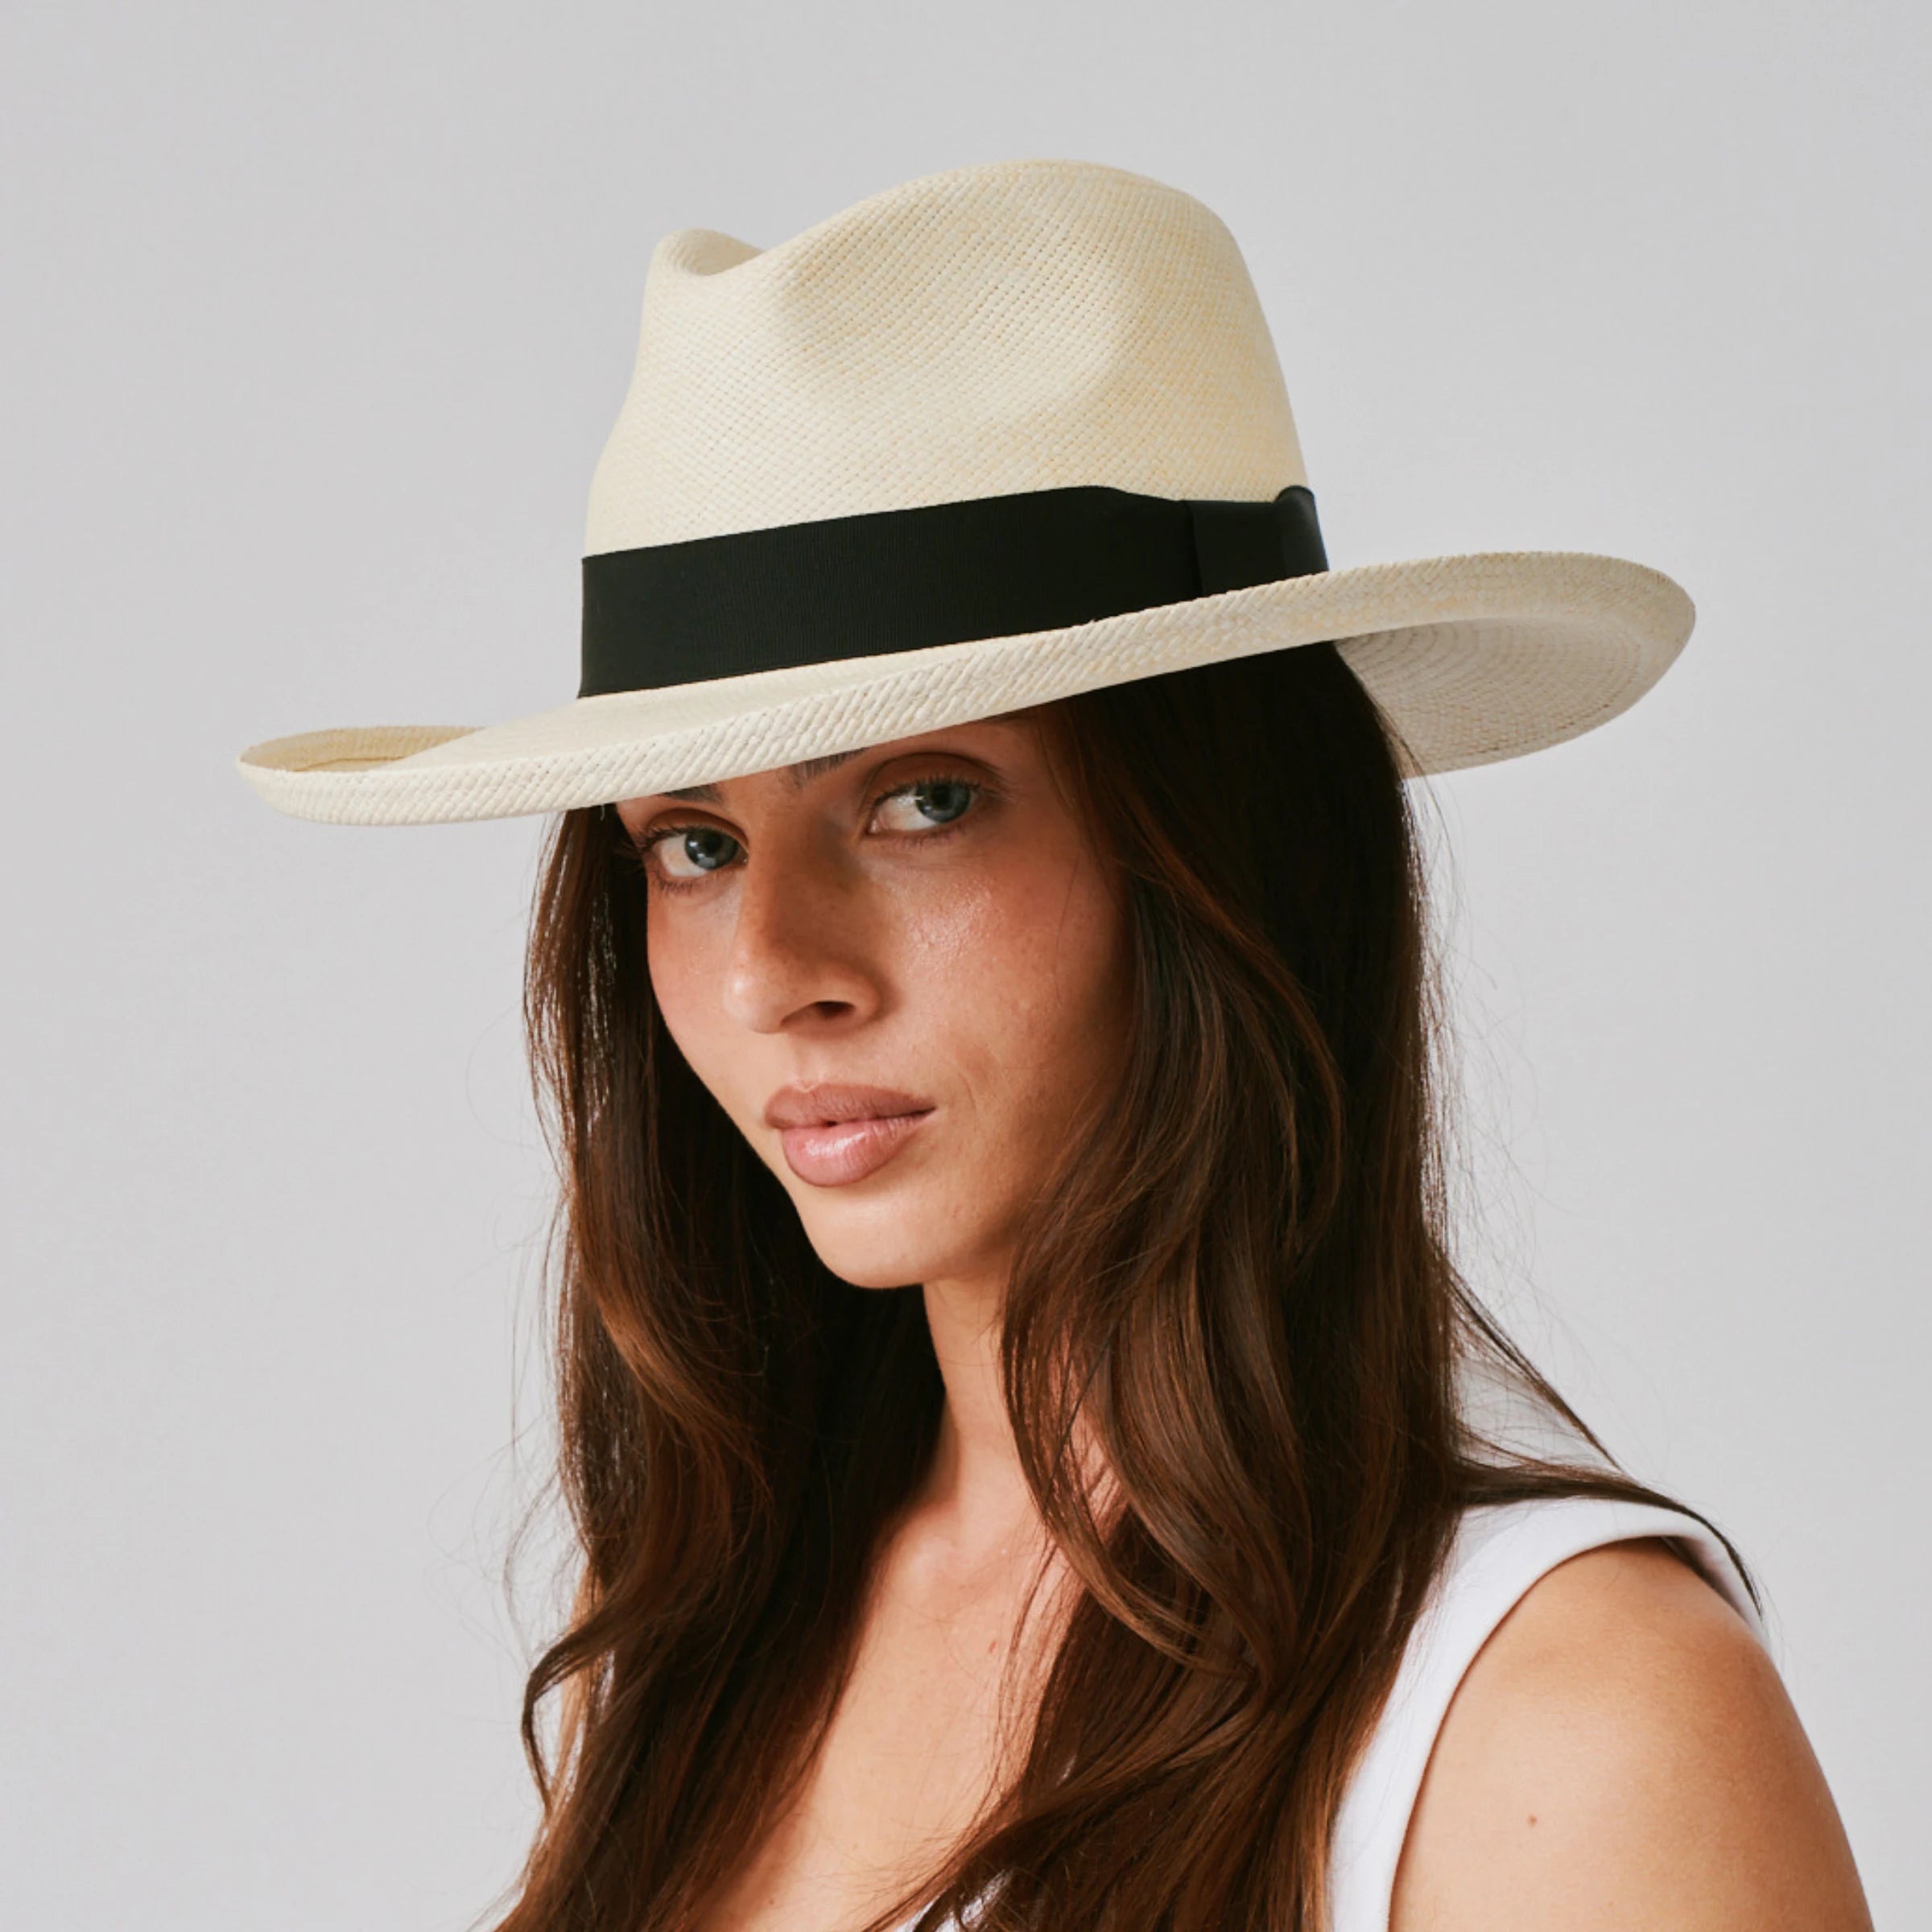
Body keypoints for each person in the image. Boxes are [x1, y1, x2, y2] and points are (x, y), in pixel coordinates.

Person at [238, 159, 1872, 1931]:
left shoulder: (1566, 1722)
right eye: (692, 845)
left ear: (1221, 850)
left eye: (922, 800)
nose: (779, 965)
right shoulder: (722, 1655)